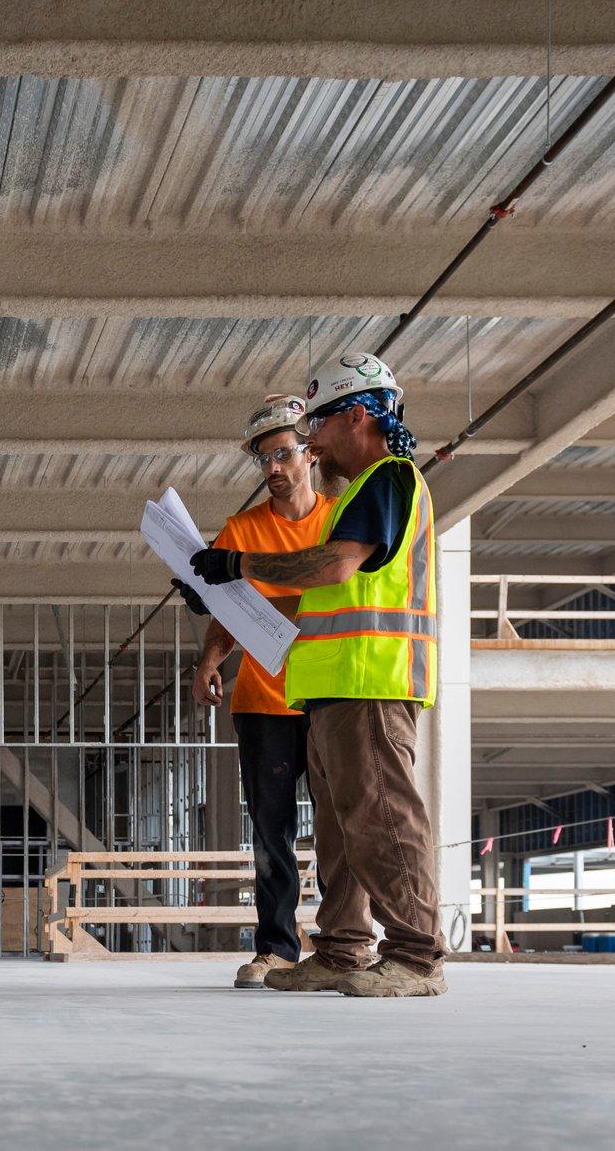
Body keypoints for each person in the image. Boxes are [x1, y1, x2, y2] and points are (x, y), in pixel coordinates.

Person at [190, 350, 448, 998]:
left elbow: (332, 567)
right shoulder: (360, 492)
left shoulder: (389, 478)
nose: (311, 444)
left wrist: (242, 567)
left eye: (319, 427)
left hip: (372, 682)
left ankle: (417, 956)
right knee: (343, 831)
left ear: (357, 416)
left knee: (385, 820)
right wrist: (223, 594)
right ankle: (340, 950)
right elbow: (312, 591)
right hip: (333, 688)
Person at [175, 395, 335, 989]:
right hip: (262, 702)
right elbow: (229, 606)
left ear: (310, 454)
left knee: (338, 827)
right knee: (271, 835)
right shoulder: (244, 528)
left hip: (323, 695)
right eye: (263, 458)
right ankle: (276, 949)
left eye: (283, 454)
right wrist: (209, 660)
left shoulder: (337, 523)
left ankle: (345, 945)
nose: (272, 468)